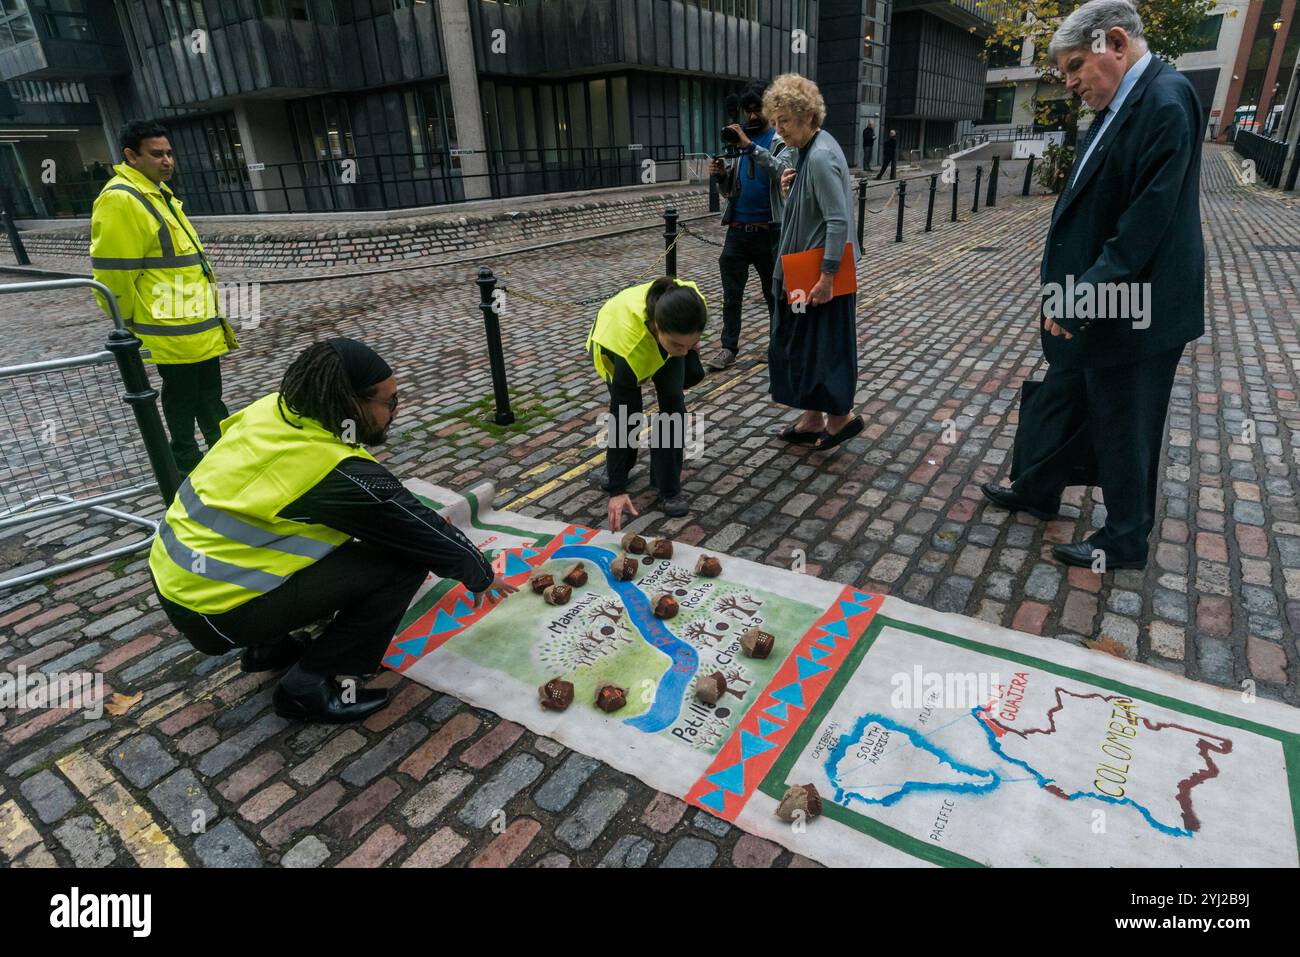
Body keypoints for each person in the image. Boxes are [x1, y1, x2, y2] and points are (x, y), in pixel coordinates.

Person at [148, 338, 516, 723]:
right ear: (349, 404)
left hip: (179, 581)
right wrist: (481, 574)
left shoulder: (274, 411)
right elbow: (418, 529)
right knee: (401, 564)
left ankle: (268, 649)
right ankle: (307, 688)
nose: (396, 411)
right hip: (217, 610)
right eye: (389, 402)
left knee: (311, 540)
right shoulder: (330, 470)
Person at [981, 0, 1205, 572]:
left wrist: (1082, 299)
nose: (1071, 82)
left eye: (1077, 65)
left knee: (1125, 420)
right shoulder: (1120, 104)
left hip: (1133, 307)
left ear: (1115, 43)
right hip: (1095, 293)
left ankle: (1125, 540)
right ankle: (1037, 485)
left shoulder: (1164, 99)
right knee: (1062, 391)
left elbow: (1144, 226)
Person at [91, 119, 238, 474]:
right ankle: (186, 458)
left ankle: (222, 453)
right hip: (172, 325)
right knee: (183, 395)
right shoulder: (122, 200)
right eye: (157, 154)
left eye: (169, 153)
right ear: (131, 156)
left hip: (195, 321)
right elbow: (115, 272)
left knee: (208, 394)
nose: (167, 160)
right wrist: (126, 323)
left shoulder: (158, 194)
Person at [767, 74, 864, 452]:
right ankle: (812, 418)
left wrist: (826, 277)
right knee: (804, 345)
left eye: (785, 122)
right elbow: (815, 210)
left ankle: (840, 419)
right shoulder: (812, 151)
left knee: (820, 347)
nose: (779, 131)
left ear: (807, 116)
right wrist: (792, 189)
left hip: (818, 275)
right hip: (803, 270)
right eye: (776, 123)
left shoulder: (820, 156)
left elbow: (837, 220)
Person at [586, 277, 709, 529]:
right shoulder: (629, 351)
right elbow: (621, 419)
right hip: (616, 341)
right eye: (678, 345)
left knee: (673, 406)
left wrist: (687, 349)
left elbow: (683, 345)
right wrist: (617, 490)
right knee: (631, 415)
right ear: (655, 327)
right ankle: (620, 471)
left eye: (689, 344)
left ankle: (668, 488)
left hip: (660, 337)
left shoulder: (693, 304)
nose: (683, 352)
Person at [707, 83, 793, 371]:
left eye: (758, 111)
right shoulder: (742, 143)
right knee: (732, 296)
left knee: (774, 295)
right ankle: (728, 347)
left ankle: (777, 346)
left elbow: (780, 171)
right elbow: (732, 190)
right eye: (749, 111)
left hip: (769, 232)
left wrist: (749, 146)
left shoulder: (779, 141)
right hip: (737, 232)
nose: (753, 117)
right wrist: (721, 177)